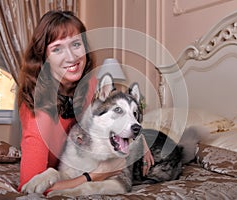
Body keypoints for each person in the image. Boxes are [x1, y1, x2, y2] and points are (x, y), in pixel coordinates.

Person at [17, 10, 154, 193]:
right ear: (44, 58)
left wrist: (139, 139)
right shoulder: (37, 113)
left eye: (76, 44)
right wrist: (93, 177)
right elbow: (29, 189)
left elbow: (111, 121)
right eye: (57, 48)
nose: (72, 57)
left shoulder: (89, 83)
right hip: (62, 172)